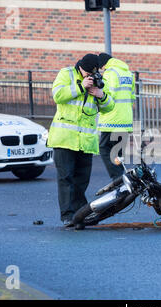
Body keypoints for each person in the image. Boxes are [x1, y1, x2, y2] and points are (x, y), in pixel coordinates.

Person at [47, 53, 101, 227]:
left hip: (85, 141)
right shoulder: (67, 74)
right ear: (81, 67)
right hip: (64, 138)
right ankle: (68, 215)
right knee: (66, 178)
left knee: (81, 180)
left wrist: (102, 95)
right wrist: (80, 86)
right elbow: (58, 95)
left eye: (92, 74)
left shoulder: (96, 79)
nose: (89, 76)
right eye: (87, 73)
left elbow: (108, 107)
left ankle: (81, 214)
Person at [95, 52, 136, 180]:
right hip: (125, 119)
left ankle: (118, 178)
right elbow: (132, 97)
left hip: (112, 118)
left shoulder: (110, 73)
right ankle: (123, 178)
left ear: (103, 64)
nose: (102, 70)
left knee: (104, 148)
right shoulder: (128, 73)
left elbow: (108, 96)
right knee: (118, 152)